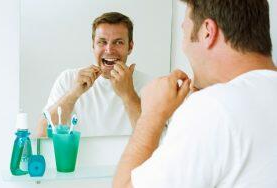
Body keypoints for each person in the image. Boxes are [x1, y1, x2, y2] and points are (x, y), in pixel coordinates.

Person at [113, 0, 277, 187]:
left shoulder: (214, 108)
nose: (184, 47)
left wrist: (150, 118)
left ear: (208, 31)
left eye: (184, 33)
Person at [37, 12, 151, 137]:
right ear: (93, 45)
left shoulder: (149, 85)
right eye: (102, 42)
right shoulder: (68, 79)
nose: (109, 49)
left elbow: (157, 141)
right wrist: (73, 93)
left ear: (130, 47)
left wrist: (128, 95)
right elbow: (42, 135)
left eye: (118, 42)